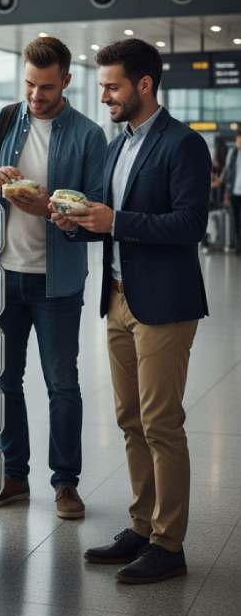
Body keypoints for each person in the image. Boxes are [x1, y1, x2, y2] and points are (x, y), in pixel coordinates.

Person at [54, 37, 210, 584]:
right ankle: (142, 527)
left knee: (161, 423)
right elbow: (109, 217)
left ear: (145, 85)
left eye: (113, 86)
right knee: (129, 420)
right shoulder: (118, 146)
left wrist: (114, 222)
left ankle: (169, 544)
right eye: (102, 87)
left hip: (164, 304)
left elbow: (192, 224)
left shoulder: (183, 143)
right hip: (118, 296)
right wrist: (78, 224)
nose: (105, 97)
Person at [0, 36, 107, 519]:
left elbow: (95, 210)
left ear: (66, 81)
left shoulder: (88, 136)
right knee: (5, 381)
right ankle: (14, 476)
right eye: (28, 84)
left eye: (45, 87)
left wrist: (49, 207)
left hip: (57, 282)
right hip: (1, 276)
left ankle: (66, 483)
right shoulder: (3, 121)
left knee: (62, 384)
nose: (35, 96)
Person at [221, 132, 241, 255]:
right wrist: (226, 193)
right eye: (238, 141)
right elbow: (228, 171)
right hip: (235, 192)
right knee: (236, 221)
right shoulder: (233, 153)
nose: (239, 143)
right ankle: (238, 247)